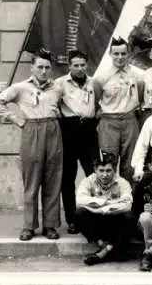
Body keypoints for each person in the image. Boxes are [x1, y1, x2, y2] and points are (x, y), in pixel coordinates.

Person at [0, 49, 63, 241]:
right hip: (31, 130)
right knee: (32, 180)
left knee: (53, 179)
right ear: (32, 68)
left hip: (53, 130)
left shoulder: (57, 88)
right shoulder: (20, 88)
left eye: (47, 67)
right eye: (40, 67)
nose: (44, 71)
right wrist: (17, 120)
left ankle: (50, 226)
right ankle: (28, 226)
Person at [54, 50, 100, 235]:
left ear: (87, 65)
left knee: (95, 175)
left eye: (82, 65)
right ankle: (72, 219)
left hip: (89, 131)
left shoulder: (93, 82)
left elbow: (99, 103)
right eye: (76, 65)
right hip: (69, 130)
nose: (80, 68)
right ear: (69, 66)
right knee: (68, 178)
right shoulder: (60, 84)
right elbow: (53, 104)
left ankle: (95, 215)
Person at [94, 37, 143, 183]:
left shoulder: (137, 76)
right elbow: (96, 101)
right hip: (109, 122)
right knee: (108, 162)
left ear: (128, 54)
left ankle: (129, 200)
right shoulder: (101, 78)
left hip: (130, 120)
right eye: (116, 54)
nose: (120, 57)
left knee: (131, 163)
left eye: (123, 54)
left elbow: (140, 96)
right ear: (110, 54)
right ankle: (110, 200)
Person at [74, 151, 134, 265]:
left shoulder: (122, 183)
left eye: (108, 170)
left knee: (130, 217)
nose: (105, 175)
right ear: (95, 169)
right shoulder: (88, 181)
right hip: (97, 221)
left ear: (114, 170)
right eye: (101, 171)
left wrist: (99, 207)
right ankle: (103, 245)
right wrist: (104, 203)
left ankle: (103, 253)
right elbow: (80, 200)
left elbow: (127, 204)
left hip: (114, 221)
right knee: (79, 214)